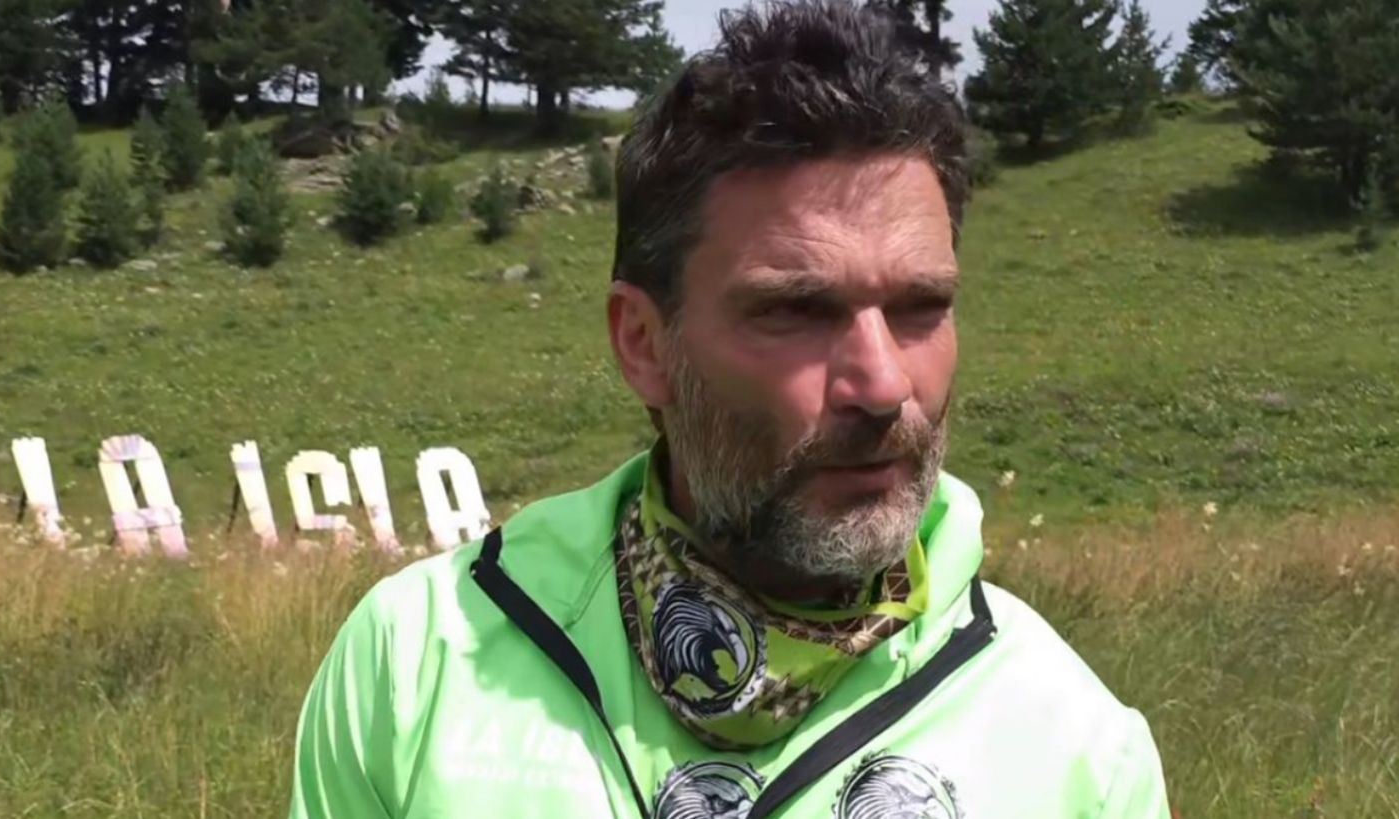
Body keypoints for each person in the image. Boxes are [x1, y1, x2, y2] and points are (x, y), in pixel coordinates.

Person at [289, 2, 1172, 817]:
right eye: (796, 310)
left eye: (920, 307)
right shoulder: (421, 664)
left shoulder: (1075, 749)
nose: (882, 385)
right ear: (644, 342)